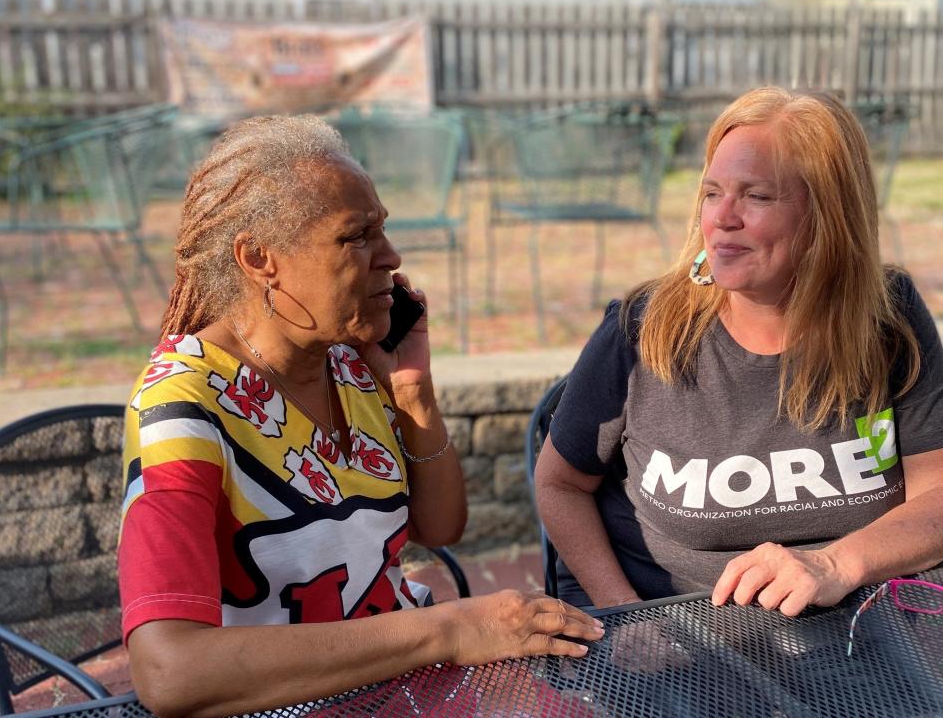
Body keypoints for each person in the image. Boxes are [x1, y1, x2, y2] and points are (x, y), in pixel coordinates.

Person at [118, 115, 603, 717]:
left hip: (405, 686)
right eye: (357, 236)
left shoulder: (347, 364)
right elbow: (171, 673)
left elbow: (441, 524)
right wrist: (449, 631)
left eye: (384, 230)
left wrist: (413, 391)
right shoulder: (182, 408)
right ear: (259, 257)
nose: (392, 256)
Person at [535, 87, 943, 617]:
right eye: (711, 192)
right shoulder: (642, 330)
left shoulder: (888, 323)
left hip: (856, 630)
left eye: (756, 196)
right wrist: (626, 615)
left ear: (828, 215)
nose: (722, 217)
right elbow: (559, 483)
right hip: (674, 634)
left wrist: (834, 566)